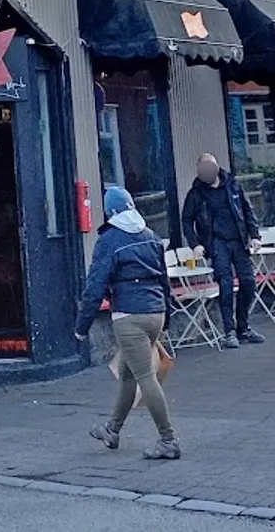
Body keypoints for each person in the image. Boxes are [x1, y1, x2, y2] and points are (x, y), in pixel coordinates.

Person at [74, 186, 180, 461]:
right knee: (127, 374)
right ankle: (112, 430)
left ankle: (168, 440)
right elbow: (164, 280)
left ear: (110, 212)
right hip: (155, 311)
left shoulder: (109, 240)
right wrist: (168, 317)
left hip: (129, 315)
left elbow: (95, 285)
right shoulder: (150, 235)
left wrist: (82, 326)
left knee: (144, 376)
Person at [182, 153, 265, 349]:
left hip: (239, 240)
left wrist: (255, 235)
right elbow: (186, 220)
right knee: (225, 285)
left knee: (249, 283)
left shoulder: (233, 185)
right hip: (216, 242)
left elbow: (247, 210)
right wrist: (195, 244)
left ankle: (243, 328)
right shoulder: (196, 193)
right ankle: (229, 332)